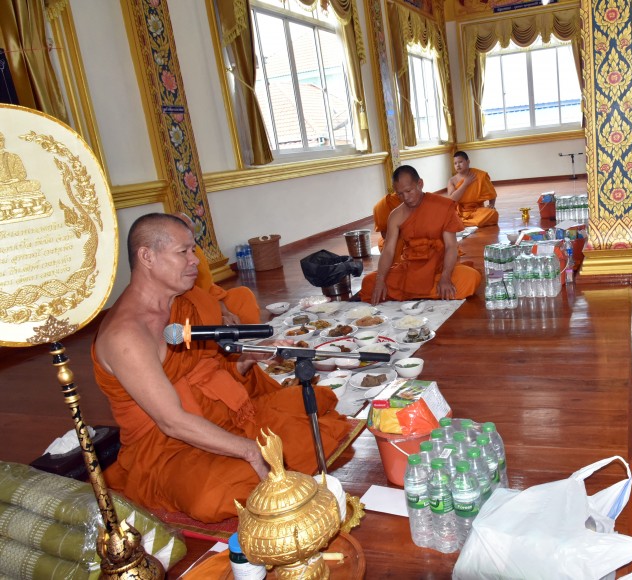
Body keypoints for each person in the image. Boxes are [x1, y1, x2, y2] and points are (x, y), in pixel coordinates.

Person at [93, 214, 352, 522]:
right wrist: (251, 451)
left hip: (226, 416)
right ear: (147, 257)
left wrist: (248, 357)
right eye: (183, 252)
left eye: (193, 250)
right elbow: (172, 422)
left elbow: (212, 371)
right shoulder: (126, 336)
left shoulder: (189, 302)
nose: (195, 261)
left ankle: (265, 465)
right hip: (169, 447)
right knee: (212, 495)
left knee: (317, 404)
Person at [360, 165, 481, 304]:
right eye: (400, 194)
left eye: (409, 191)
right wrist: (380, 280)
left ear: (420, 184)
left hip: (440, 267)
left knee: (471, 278)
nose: (406, 198)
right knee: (368, 283)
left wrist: (446, 277)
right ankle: (428, 293)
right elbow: (388, 251)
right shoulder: (396, 215)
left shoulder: (443, 206)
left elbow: (451, 247)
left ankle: (415, 293)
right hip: (411, 269)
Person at [174, 212, 261, 325]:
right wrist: (217, 314)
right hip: (190, 310)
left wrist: (224, 312)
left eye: (193, 238)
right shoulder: (170, 260)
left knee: (243, 295)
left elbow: (208, 287)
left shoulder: (196, 251)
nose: (195, 260)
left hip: (209, 300)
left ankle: (251, 334)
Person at [446, 151, 498, 227]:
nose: (458, 165)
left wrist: (491, 205)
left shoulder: (479, 175)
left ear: (468, 162)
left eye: (460, 162)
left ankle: (462, 223)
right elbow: (452, 200)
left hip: (477, 210)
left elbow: (492, 194)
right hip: (460, 211)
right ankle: (469, 222)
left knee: (493, 213)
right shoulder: (452, 180)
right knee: (446, 215)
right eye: (455, 163)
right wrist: (465, 184)